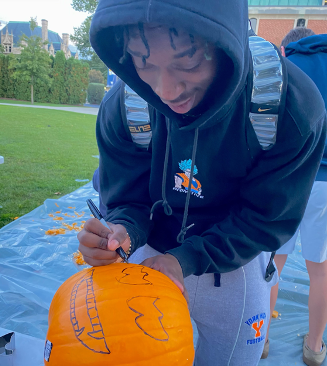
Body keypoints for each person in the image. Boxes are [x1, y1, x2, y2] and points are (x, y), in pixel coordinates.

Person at [78, 1, 327, 364]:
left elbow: (264, 218)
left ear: (225, 43)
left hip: (233, 262)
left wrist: (188, 258)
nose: (165, 90)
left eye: (188, 61)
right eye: (143, 61)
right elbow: (127, 195)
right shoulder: (124, 106)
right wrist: (121, 229)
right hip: (146, 258)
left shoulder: (291, 107)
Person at [264, 27, 327, 366]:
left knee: (274, 262)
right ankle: (315, 347)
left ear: (289, 44)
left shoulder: (285, 61)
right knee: (319, 270)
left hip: (290, 177)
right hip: (325, 183)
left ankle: (261, 337)